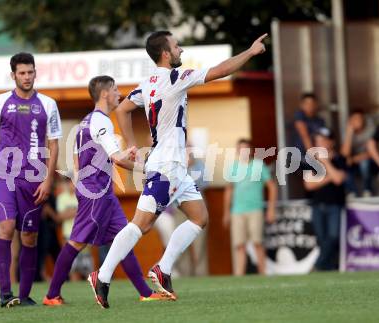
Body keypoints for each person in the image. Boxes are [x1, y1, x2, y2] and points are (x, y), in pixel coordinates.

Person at [89, 30, 267, 307]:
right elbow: (220, 71)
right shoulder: (175, 78)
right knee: (141, 225)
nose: (181, 50)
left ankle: (163, 268)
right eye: (176, 46)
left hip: (174, 167)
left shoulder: (147, 83)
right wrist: (250, 52)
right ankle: (102, 275)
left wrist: (133, 146)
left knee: (199, 217)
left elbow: (122, 110)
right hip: (167, 166)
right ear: (165, 53)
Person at [43, 75, 166, 307]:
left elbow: (81, 160)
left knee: (124, 240)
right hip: (96, 193)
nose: (120, 93)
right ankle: (51, 295)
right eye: (116, 89)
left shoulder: (87, 122)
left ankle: (145, 292)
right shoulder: (101, 122)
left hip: (102, 192)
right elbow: (115, 158)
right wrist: (145, 168)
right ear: (105, 94)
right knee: (77, 242)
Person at [0, 52, 62, 308]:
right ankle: (5, 293)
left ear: (35, 73)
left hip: (34, 180)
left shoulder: (48, 104)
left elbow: (54, 144)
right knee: (5, 228)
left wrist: (48, 180)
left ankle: (25, 295)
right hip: (4, 178)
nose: (27, 77)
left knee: (29, 237)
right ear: (13, 75)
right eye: (22, 73)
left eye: (30, 72)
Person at [223, 139, 277, 276]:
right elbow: (229, 190)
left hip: (255, 209)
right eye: (240, 149)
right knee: (239, 245)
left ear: (251, 151)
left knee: (257, 243)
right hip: (237, 211)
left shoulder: (259, 165)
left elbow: (272, 187)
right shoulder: (233, 167)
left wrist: (271, 209)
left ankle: (262, 273)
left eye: (246, 149)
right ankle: (239, 275)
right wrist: (226, 212)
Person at [304, 127, 346, 271]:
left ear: (331, 142)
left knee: (334, 236)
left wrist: (326, 163)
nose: (320, 143)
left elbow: (339, 179)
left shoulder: (340, 159)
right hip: (317, 205)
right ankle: (327, 268)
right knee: (321, 239)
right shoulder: (311, 161)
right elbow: (309, 185)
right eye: (317, 141)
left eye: (323, 140)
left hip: (335, 205)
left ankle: (318, 265)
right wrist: (330, 177)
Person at [341, 109, 377, 197]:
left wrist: (353, 159)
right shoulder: (348, 131)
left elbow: (372, 153)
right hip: (354, 163)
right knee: (343, 163)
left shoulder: (370, 130)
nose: (358, 121)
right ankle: (351, 192)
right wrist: (349, 133)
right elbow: (344, 154)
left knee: (364, 163)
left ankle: (367, 190)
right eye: (355, 119)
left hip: (371, 162)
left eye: (359, 118)